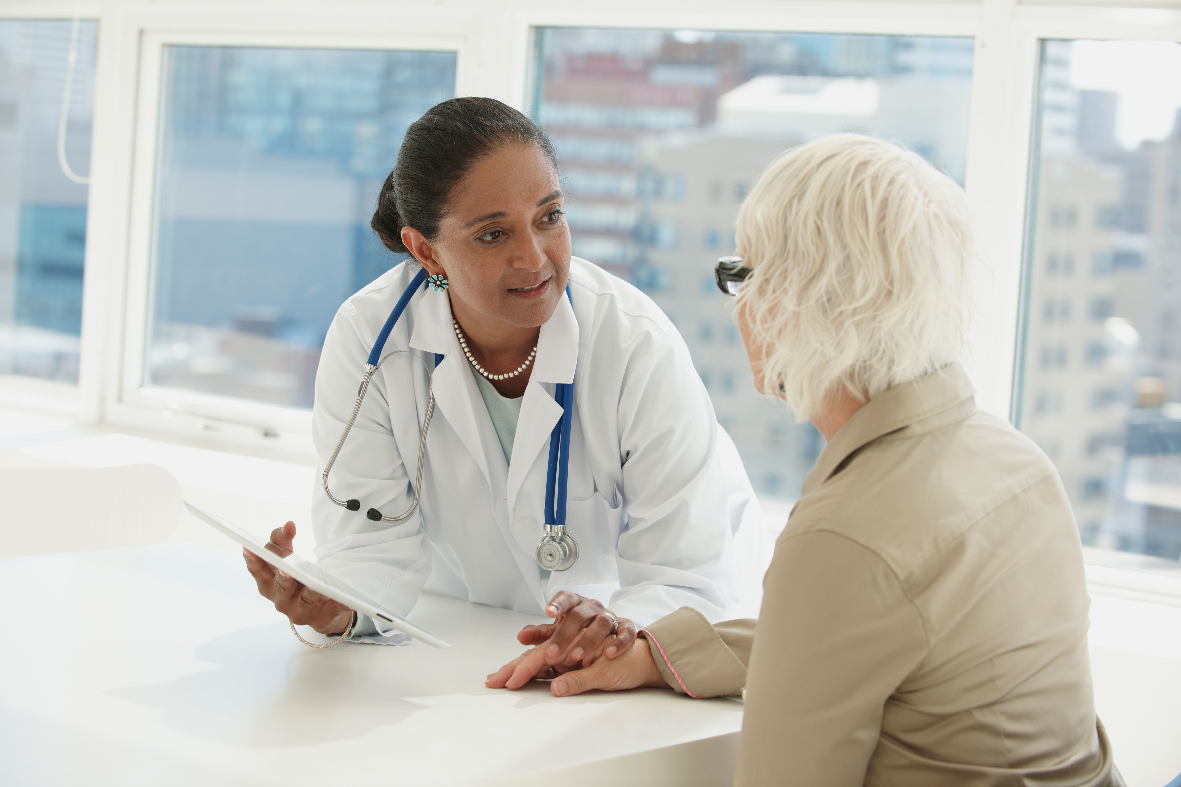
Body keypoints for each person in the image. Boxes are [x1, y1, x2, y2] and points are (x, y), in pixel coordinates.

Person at [488, 134, 1123, 786]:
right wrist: (656, 655)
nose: (739, 306)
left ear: (801, 300)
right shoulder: (1014, 462)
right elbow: (875, 638)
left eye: (741, 274)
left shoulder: (847, 533)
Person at [242, 97, 766, 664]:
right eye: (493, 235)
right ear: (425, 250)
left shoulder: (634, 344)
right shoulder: (370, 339)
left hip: (652, 655)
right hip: (467, 645)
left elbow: (685, 573)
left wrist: (618, 628)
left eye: (550, 217)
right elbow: (368, 544)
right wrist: (337, 605)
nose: (535, 257)